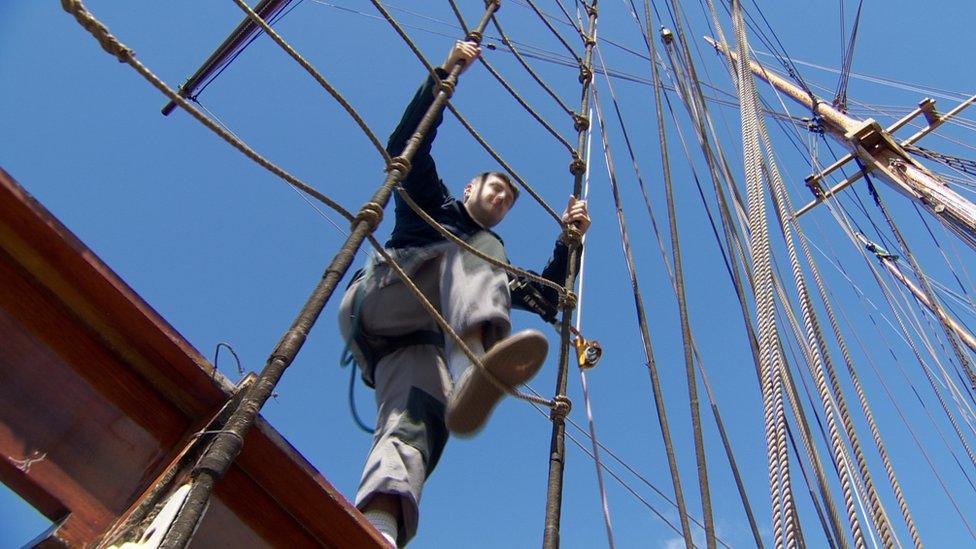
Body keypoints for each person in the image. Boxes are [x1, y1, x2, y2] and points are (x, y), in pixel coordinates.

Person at [338, 40, 591, 547]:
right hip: (384, 295)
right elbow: (406, 145)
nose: (500, 198)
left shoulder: (488, 268)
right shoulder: (433, 205)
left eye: (508, 199)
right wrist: (446, 72)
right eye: (493, 188)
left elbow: (546, 298)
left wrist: (568, 241)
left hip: (412, 349)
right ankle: (476, 358)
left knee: (422, 416)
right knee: (481, 249)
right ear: (469, 190)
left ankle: (380, 526)